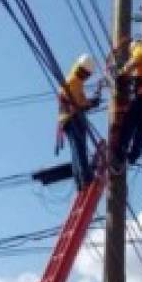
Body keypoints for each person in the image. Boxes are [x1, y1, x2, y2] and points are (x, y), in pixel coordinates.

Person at [56, 54, 100, 190]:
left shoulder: (76, 82)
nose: (85, 76)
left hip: (69, 119)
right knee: (79, 150)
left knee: (77, 151)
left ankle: (81, 181)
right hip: (72, 119)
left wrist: (91, 101)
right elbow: (76, 103)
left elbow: (80, 102)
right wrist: (90, 103)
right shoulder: (74, 81)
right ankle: (86, 179)